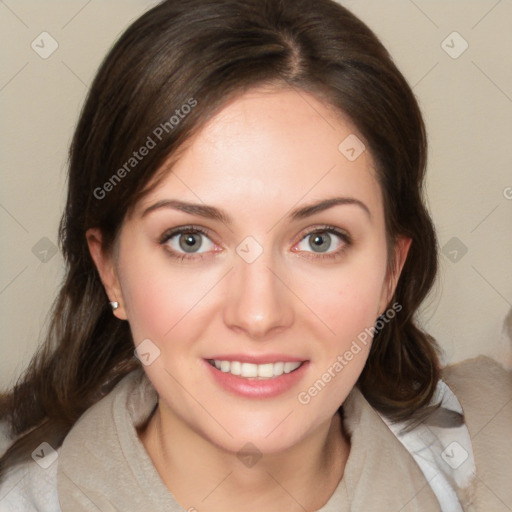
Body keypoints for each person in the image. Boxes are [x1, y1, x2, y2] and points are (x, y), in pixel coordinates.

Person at [0, 0, 510, 510]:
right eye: (190, 239)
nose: (259, 314)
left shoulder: (492, 459)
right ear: (110, 270)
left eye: (320, 239)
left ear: (390, 273)